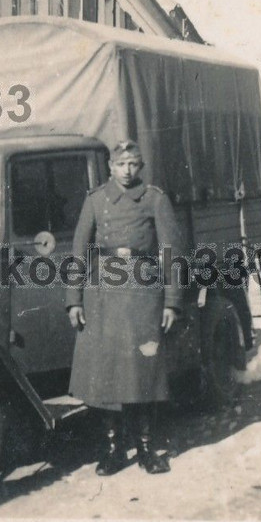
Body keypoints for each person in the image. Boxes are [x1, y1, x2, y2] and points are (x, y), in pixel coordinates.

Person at [65, 139, 185, 476]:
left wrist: (172, 302)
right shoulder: (95, 200)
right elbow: (79, 252)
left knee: (142, 373)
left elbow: (171, 253)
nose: (127, 171)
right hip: (103, 296)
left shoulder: (155, 199)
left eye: (133, 164)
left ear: (140, 166)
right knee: (107, 374)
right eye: (121, 164)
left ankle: (146, 449)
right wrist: (73, 299)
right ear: (111, 167)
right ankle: (113, 450)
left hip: (143, 295)